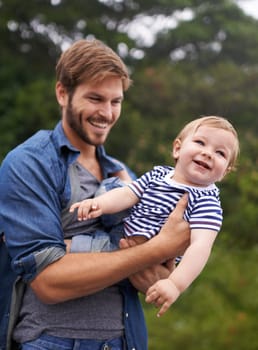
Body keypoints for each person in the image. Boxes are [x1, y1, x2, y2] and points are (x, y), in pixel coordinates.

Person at [0, 39, 190, 350]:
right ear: (62, 93)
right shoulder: (29, 164)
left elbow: (158, 278)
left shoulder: (123, 174)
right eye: (95, 98)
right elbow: (50, 281)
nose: (107, 113)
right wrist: (151, 249)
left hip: (125, 341)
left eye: (116, 101)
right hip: (53, 342)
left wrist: (74, 249)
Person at [70, 115, 239, 317]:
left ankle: (58, 251)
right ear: (178, 148)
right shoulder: (159, 174)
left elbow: (200, 247)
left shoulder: (206, 201)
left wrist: (175, 284)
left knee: (79, 250)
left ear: (224, 172)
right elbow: (129, 194)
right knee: (113, 188)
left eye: (220, 153)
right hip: (123, 229)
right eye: (200, 142)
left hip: (138, 254)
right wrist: (99, 204)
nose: (207, 153)